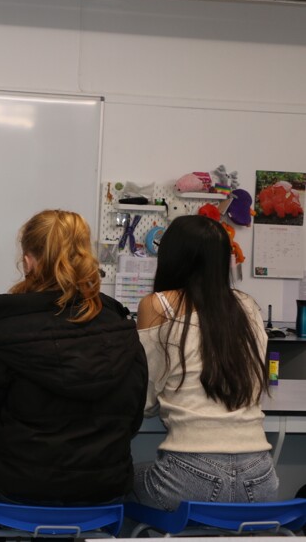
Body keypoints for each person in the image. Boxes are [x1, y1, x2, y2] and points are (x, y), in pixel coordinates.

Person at [0, 209, 148, 506]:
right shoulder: (123, 330)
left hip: (14, 491)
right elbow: (132, 422)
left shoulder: (3, 332)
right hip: (101, 497)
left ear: (29, 261)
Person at [130, 214, 278, 509]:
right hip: (261, 478)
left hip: (189, 477)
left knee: (117, 482)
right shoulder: (247, 306)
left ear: (171, 256)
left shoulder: (158, 305)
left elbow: (145, 403)